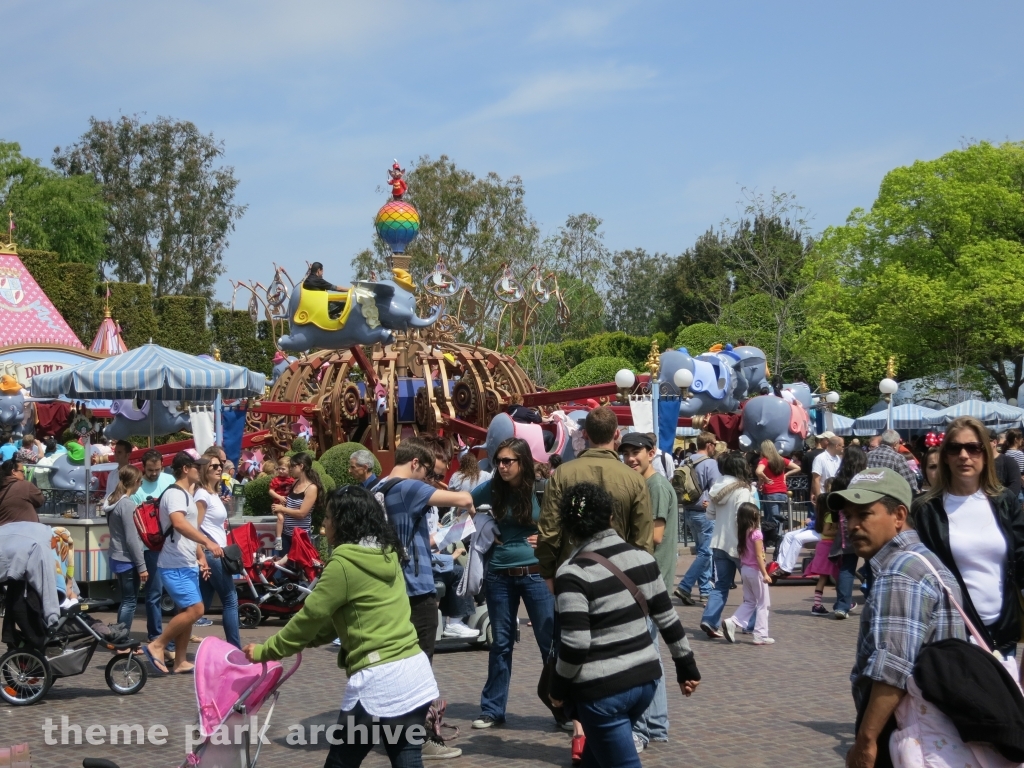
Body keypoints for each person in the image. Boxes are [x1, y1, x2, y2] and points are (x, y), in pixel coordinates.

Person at [244, 486, 441, 768]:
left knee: (340, 763)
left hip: (379, 678)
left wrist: (266, 651)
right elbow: (340, 621)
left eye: (328, 517)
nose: (324, 525)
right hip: (414, 671)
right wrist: (309, 639)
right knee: (406, 757)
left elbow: (308, 619)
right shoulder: (388, 552)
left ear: (344, 521)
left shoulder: (343, 564)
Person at [549, 482, 700, 768]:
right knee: (595, 759)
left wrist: (557, 688)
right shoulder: (642, 558)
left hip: (603, 691)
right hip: (644, 680)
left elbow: (576, 643)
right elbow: (668, 620)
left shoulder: (572, 573)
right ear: (610, 517)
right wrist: (687, 668)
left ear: (568, 527)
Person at [536, 406, 652, 765]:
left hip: (575, 579)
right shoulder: (633, 478)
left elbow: (549, 531)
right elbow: (643, 540)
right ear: (616, 435)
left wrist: (549, 573)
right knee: (617, 654)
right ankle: (605, 733)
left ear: (584, 435)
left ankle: (584, 732)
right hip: (621, 584)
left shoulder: (563, 473)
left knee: (575, 652)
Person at [831, 468, 966, 768]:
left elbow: (893, 667)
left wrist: (866, 741)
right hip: (933, 729)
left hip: (909, 731)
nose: (852, 526)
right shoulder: (922, 560)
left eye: (864, 514)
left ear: (899, 515)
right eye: (848, 516)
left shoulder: (900, 571)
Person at [373, 437, 473, 760]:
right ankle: (416, 740)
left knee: (396, 667)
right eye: (428, 473)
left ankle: (395, 734)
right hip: (416, 592)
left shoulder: (379, 488)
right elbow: (462, 496)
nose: (429, 481)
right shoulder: (407, 487)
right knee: (419, 671)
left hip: (393, 590)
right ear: (415, 463)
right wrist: (469, 505)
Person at [912, 416, 1024, 664]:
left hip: (1001, 632)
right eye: (955, 448)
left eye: (973, 448)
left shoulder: (1004, 501)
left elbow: (1021, 559)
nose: (964, 455)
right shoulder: (925, 509)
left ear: (986, 453)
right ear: (945, 456)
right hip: (952, 633)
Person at [469, 438, 554, 731]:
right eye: (499, 461)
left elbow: (564, 521)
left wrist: (547, 536)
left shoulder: (542, 488)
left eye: (508, 461)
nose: (502, 466)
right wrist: (485, 526)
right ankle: (492, 710)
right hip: (499, 574)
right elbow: (466, 502)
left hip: (536, 573)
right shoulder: (493, 488)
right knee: (501, 644)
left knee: (548, 642)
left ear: (523, 461)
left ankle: (563, 708)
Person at [619, 432, 678, 751]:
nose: (630, 458)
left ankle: (641, 730)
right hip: (652, 584)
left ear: (651, 452)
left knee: (641, 660)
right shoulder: (648, 485)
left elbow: (654, 536)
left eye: (636, 452)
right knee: (651, 657)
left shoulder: (654, 486)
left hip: (649, 585)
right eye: (626, 453)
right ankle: (655, 725)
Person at [143, 452, 224, 675]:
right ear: (186, 469)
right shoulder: (175, 494)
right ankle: (158, 645)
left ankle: (180, 661)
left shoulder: (187, 494)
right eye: (198, 466)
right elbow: (178, 524)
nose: (202, 470)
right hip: (174, 563)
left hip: (186, 562)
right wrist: (207, 541)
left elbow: (190, 529)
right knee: (196, 609)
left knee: (185, 611)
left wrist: (200, 556)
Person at [696, 452, 756, 639]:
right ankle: (748, 623)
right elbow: (743, 518)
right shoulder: (743, 490)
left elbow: (710, 514)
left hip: (719, 543)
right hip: (739, 544)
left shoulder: (717, 486)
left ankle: (709, 619)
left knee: (721, 585)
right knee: (752, 587)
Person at [195, 453, 241, 648]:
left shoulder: (212, 493)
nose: (219, 469)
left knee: (200, 606)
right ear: (204, 470)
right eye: (214, 466)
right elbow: (193, 527)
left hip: (217, 553)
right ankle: (235, 648)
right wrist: (204, 549)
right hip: (212, 554)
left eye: (220, 465)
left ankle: (169, 644)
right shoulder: (202, 495)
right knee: (230, 599)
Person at [130, 449, 175, 642]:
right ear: (143, 467)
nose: (154, 473)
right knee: (154, 592)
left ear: (162, 466)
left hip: (172, 544)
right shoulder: (137, 488)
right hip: (151, 548)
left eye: (157, 469)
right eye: (150, 470)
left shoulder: (169, 480)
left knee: (177, 591)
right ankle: (155, 634)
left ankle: (178, 632)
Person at [673, 431, 720, 607]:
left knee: (702, 551)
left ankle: (705, 592)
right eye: (714, 444)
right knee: (706, 553)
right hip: (704, 512)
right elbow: (717, 488)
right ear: (709, 445)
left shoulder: (686, 461)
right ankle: (685, 586)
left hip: (688, 510)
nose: (715, 447)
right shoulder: (710, 463)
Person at [722, 502, 773, 644]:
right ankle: (760, 634)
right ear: (755, 515)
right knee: (763, 603)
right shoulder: (756, 533)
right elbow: (759, 556)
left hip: (745, 569)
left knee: (750, 601)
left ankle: (733, 621)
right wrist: (765, 573)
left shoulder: (743, 532)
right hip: (755, 571)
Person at [827, 447, 870, 619]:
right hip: (867, 521)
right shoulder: (866, 479)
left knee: (847, 566)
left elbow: (833, 505)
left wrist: (836, 522)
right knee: (873, 564)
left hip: (846, 523)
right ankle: (874, 602)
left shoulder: (839, 480)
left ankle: (842, 606)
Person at [106, 465, 147, 635]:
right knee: (130, 602)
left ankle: (119, 634)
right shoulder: (127, 505)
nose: (140, 485)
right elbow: (131, 538)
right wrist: (142, 566)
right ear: (136, 481)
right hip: (127, 559)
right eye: (141, 482)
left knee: (125, 600)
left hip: (116, 556)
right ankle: (122, 636)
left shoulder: (113, 500)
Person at [271, 453, 322, 557]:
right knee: (282, 563)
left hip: (300, 536)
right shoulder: (295, 483)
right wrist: (278, 508)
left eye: (293, 466)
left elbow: (302, 513)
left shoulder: (311, 488)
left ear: (301, 466)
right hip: (285, 534)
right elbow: (289, 504)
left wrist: (282, 509)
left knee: (299, 564)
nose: (290, 469)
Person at [755, 440, 801, 539]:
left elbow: (758, 471)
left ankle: (774, 538)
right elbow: (797, 468)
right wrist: (786, 475)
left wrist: (765, 479)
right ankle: (772, 537)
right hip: (782, 492)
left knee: (772, 518)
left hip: (771, 492)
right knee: (774, 516)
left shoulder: (765, 460)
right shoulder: (781, 459)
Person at [805, 492, 841, 616]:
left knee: (824, 577)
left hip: (823, 545)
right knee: (838, 576)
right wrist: (839, 531)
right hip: (828, 546)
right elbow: (826, 531)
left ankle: (817, 605)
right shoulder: (829, 515)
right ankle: (843, 601)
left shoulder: (821, 516)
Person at [0, 458, 43, 525]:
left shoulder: (2, 487)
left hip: (3, 529)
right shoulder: (25, 485)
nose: (24, 474)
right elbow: (40, 500)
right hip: (25, 529)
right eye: (22, 471)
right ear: (13, 472)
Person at [269, 458, 295, 552]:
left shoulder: (292, 480)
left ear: (289, 469)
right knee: (280, 518)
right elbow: (271, 491)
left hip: (288, 504)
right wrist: (279, 497)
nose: (280, 470)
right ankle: (278, 539)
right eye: (279, 468)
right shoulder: (276, 480)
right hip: (278, 503)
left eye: (283, 469)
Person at [991, 428, 1022, 500]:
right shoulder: (1019, 454)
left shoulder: (1004, 453)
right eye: (1021, 438)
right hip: (1018, 489)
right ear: (1016, 439)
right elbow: (1022, 474)